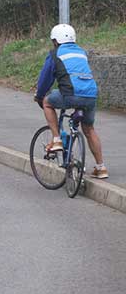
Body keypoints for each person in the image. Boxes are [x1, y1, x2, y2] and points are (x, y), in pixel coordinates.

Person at [34, 23, 108, 178]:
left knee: (48, 101)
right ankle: (101, 168)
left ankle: (56, 140)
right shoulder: (81, 52)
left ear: (55, 41)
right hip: (91, 95)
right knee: (89, 129)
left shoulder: (55, 54)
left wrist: (40, 96)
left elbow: (45, 79)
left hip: (70, 93)